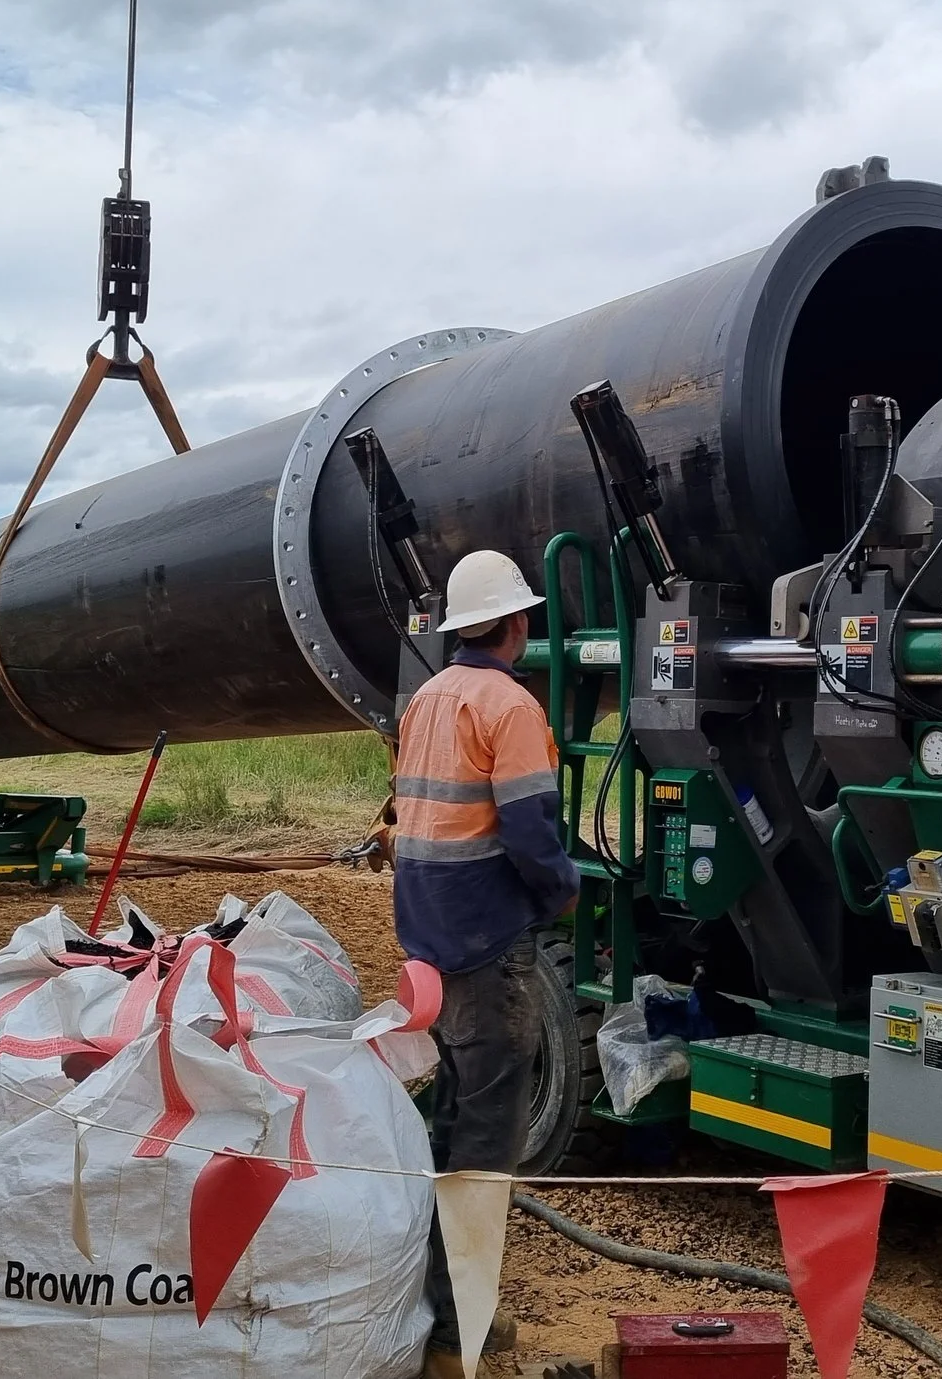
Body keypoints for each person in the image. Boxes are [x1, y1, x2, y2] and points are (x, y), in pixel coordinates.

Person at [390, 550, 579, 1379]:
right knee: (488, 1136)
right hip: (488, 937)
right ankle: (455, 1326)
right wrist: (563, 890)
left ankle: (429, 1296)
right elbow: (532, 829)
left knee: (452, 1112)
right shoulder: (509, 703)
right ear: (517, 624)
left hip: (428, 931)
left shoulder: (428, 696)